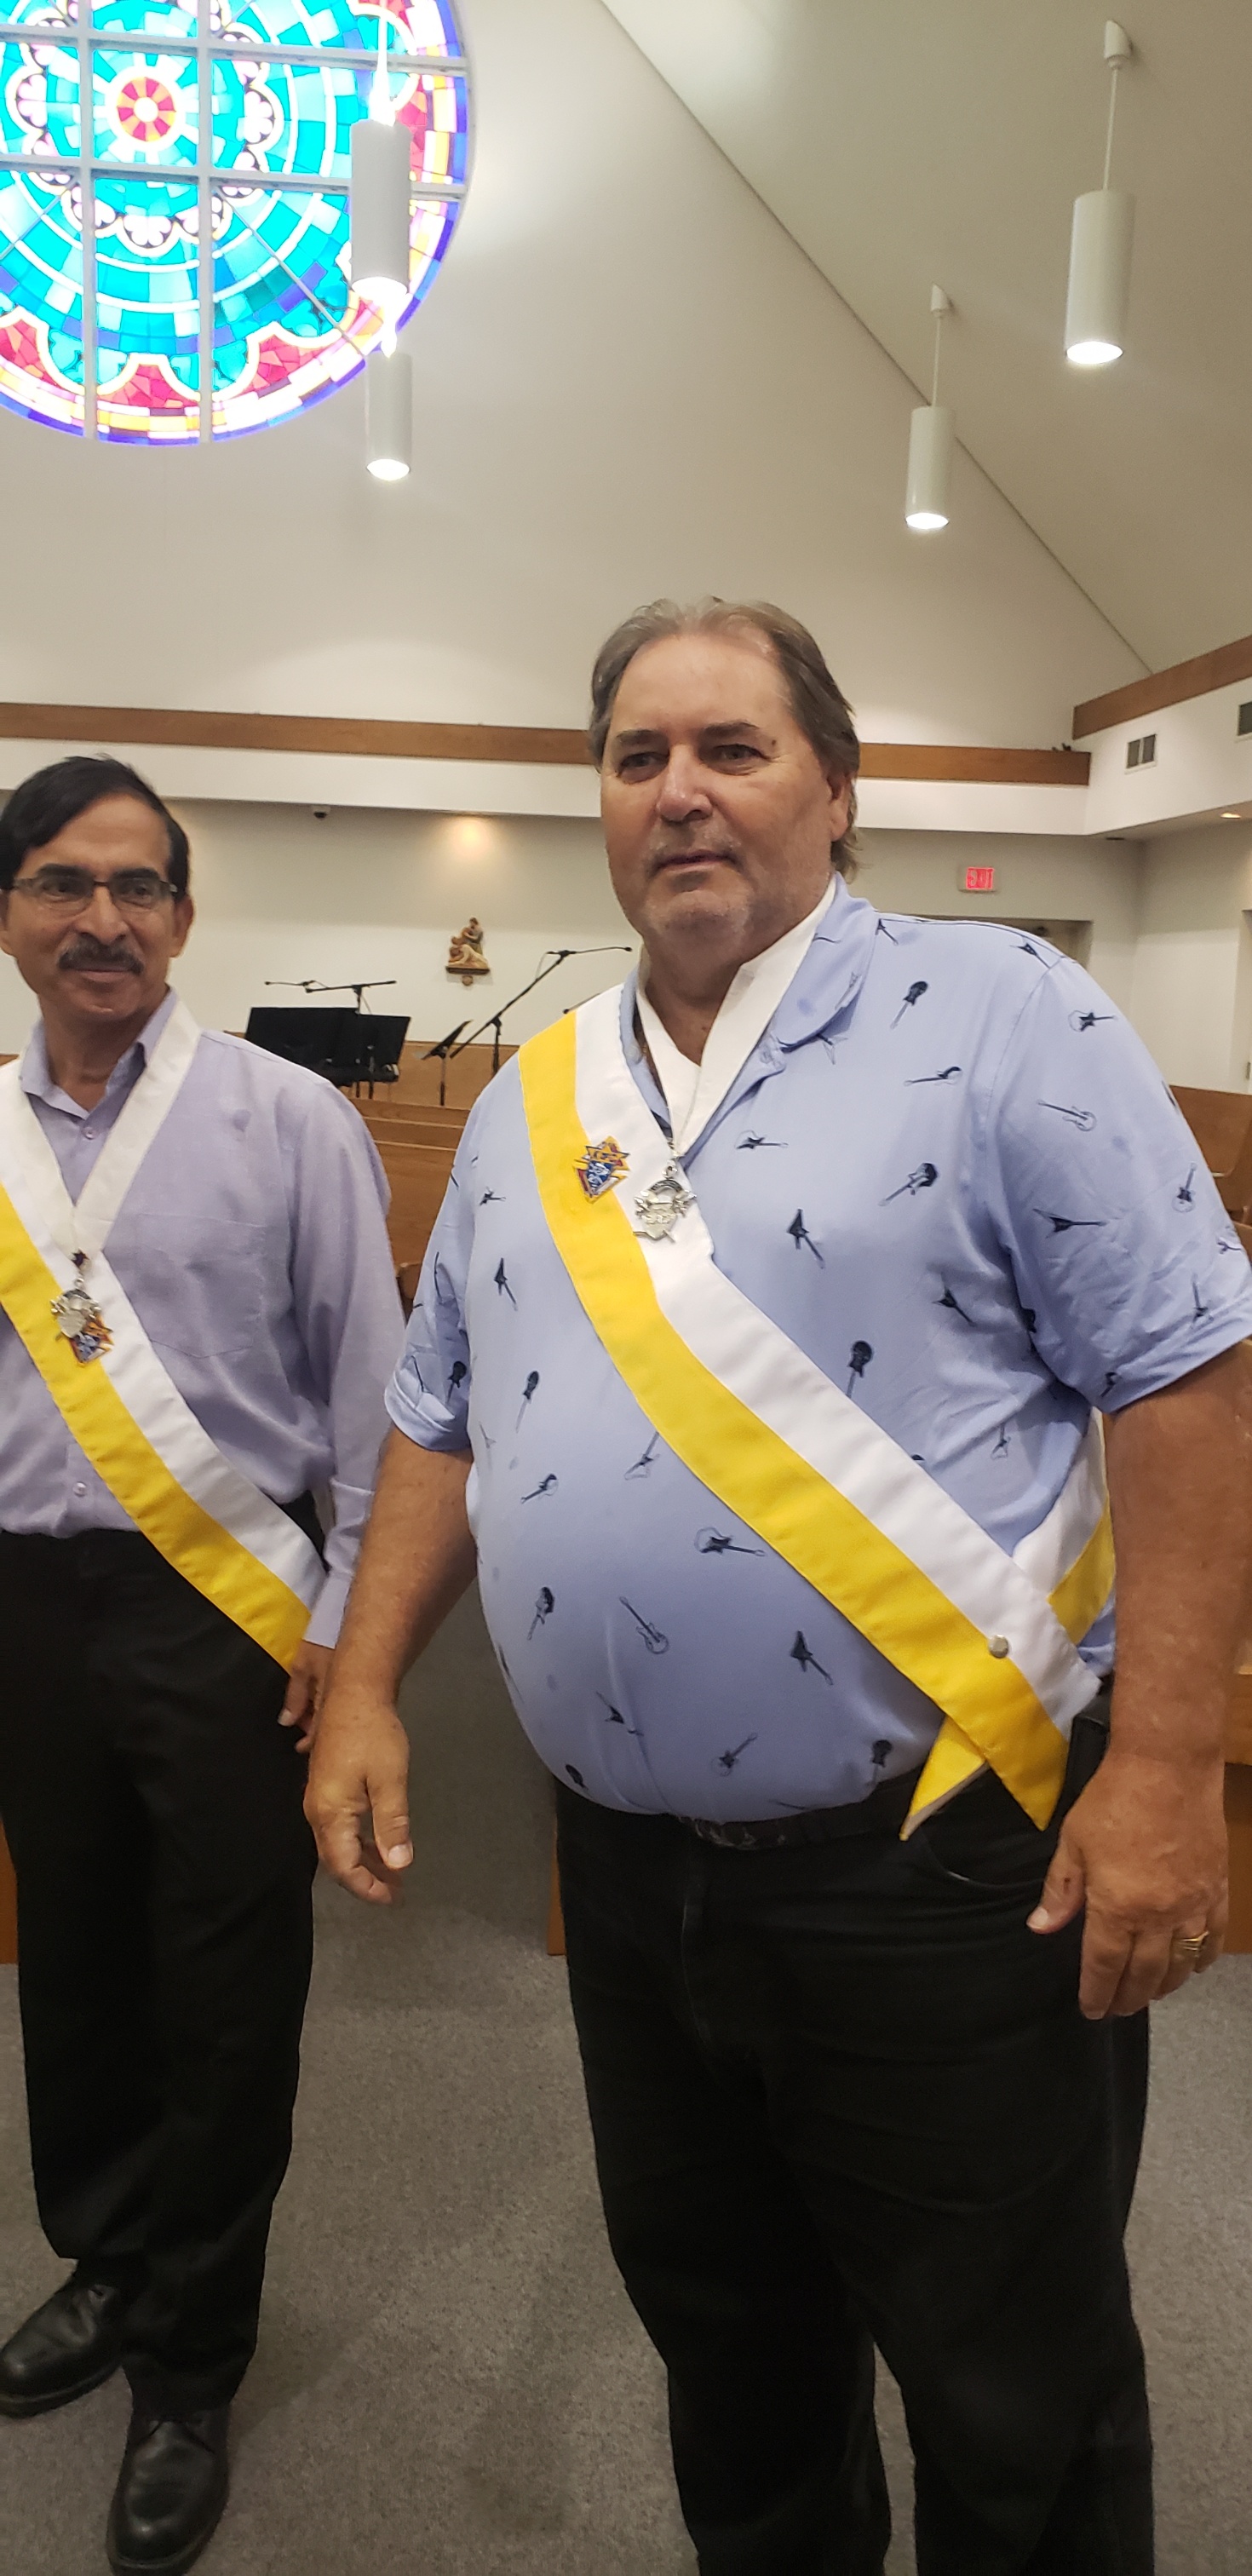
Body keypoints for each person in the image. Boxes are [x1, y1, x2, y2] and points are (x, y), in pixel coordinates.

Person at [306, 601, 1252, 2575]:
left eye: (732, 748)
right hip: (625, 1876)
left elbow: (1185, 1379)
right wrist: (371, 1678)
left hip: (947, 1864)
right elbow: (437, 1415)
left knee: (1014, 2396)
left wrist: (1171, 1766)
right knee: (731, 2361)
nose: (681, 792)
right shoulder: (531, 1101)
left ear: (836, 786)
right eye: (638, 756)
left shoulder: (1002, 1015)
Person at [0, 758, 402, 2575]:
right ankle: (107, 2260)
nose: (104, 920)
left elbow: (376, 1401)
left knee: (226, 1990)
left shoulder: (290, 1119)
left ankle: (190, 2362)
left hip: (228, 1612)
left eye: (139, 886)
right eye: (62, 883)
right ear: (11, 911)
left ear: (183, 910)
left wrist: (353, 1637)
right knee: (75, 1958)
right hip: (26, 1608)